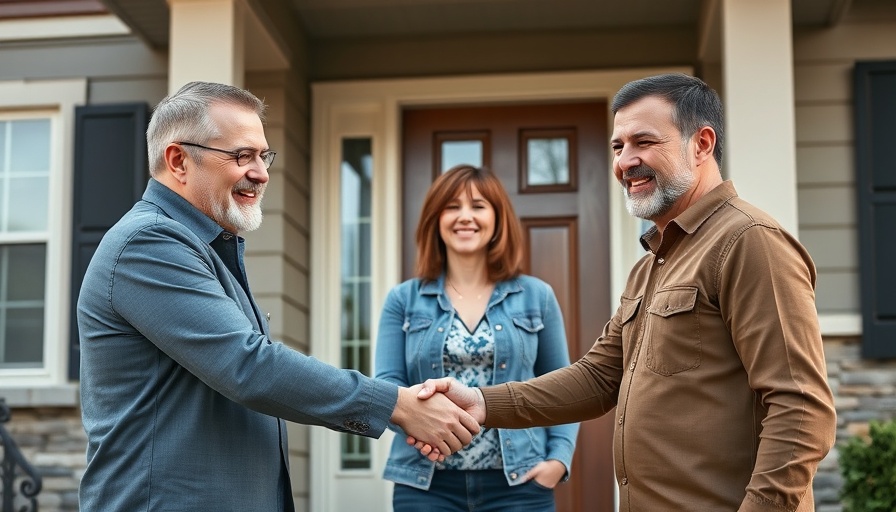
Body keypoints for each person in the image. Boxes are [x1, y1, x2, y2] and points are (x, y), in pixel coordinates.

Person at [413, 73, 838, 511]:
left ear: (702, 144)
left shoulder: (750, 241)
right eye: (618, 146)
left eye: (644, 142)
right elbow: (598, 378)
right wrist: (481, 402)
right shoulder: (652, 263)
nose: (624, 161)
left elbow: (801, 408)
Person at [76, 81, 479, 512]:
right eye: (241, 155)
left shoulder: (205, 244)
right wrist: (396, 405)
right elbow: (248, 366)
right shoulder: (148, 243)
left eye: (264, 156)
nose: (262, 172)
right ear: (178, 160)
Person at [375, 164, 579, 512]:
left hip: (520, 485)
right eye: (452, 207)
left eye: (478, 206)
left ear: (498, 219)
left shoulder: (537, 296)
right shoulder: (403, 300)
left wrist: (559, 459)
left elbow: (564, 388)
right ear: (435, 220)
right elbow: (387, 386)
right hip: (426, 487)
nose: (464, 217)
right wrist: (421, 429)